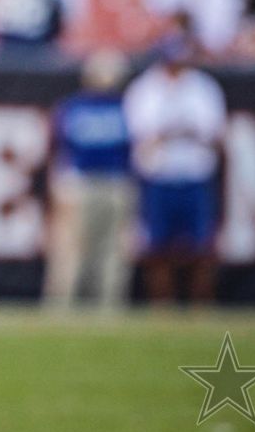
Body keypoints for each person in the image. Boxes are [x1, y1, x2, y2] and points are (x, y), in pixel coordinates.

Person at [122, 36, 227, 304]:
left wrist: (173, 131)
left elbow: (213, 133)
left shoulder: (203, 87)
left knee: (202, 245)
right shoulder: (145, 88)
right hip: (158, 175)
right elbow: (142, 135)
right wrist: (179, 131)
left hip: (195, 174)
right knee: (156, 245)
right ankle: (162, 304)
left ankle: (201, 303)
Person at [43, 49, 134, 311]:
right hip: (80, 183)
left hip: (115, 183)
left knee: (113, 250)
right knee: (70, 249)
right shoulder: (73, 107)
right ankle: (60, 305)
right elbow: (57, 149)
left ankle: (109, 307)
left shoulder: (126, 106)